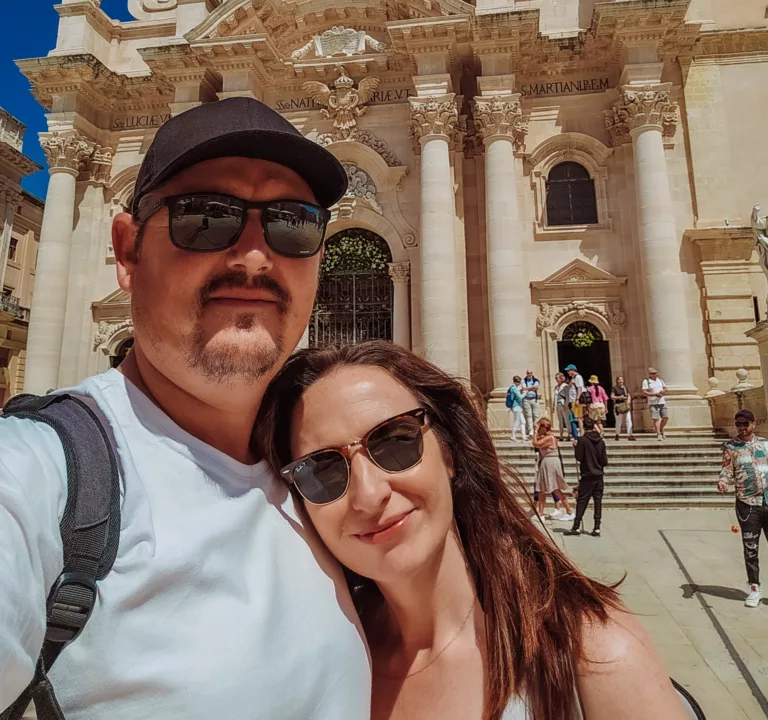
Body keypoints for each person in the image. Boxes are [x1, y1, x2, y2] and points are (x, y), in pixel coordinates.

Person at [0, 99, 371, 718]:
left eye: (294, 225)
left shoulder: (355, 472)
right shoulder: (38, 478)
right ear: (126, 250)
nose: (254, 257)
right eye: (205, 217)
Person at [259, 341, 692, 720]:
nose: (369, 495)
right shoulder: (309, 661)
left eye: (395, 439)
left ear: (448, 453)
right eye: (321, 469)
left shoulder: (597, 658)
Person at [717, 409, 768, 608]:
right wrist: (722, 481)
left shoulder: (765, 444)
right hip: (747, 504)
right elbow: (726, 469)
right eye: (738, 424)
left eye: (745, 424)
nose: (742, 427)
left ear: (754, 424)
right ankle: (754, 588)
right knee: (751, 548)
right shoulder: (731, 446)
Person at [566, 418, 608, 538]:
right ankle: (597, 527)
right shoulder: (601, 441)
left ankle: (576, 526)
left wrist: (576, 447)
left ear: (583, 427)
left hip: (587, 475)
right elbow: (604, 461)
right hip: (599, 475)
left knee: (582, 501)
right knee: (598, 501)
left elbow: (579, 457)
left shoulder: (582, 440)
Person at [532, 417, 575, 522]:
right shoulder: (546, 436)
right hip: (546, 463)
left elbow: (535, 444)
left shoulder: (550, 437)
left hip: (551, 463)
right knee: (542, 489)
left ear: (544, 427)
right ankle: (540, 513)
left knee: (555, 489)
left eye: (539, 427)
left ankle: (569, 511)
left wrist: (534, 432)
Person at [642, 367, 668, 441]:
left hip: (662, 401)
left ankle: (661, 429)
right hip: (653, 402)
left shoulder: (660, 380)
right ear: (649, 374)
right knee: (656, 418)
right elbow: (644, 392)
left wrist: (663, 391)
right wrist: (654, 394)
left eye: (655, 373)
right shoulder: (646, 381)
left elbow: (665, 388)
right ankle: (658, 433)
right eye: (653, 373)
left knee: (665, 417)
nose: (655, 374)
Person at [611, 375, 635, 441]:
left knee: (628, 420)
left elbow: (629, 395)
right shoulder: (614, 388)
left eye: (622, 379)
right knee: (619, 421)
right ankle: (617, 434)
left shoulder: (625, 388)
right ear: (617, 381)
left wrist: (628, 401)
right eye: (620, 380)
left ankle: (630, 435)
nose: (621, 381)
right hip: (618, 406)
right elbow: (612, 397)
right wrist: (619, 397)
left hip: (625, 405)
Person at [565, 364, 585, 436]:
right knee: (577, 417)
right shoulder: (573, 378)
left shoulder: (578, 377)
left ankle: (582, 433)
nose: (567, 372)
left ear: (573, 370)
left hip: (576, 400)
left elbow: (580, 388)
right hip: (572, 400)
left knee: (579, 417)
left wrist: (577, 399)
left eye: (568, 371)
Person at [506, 374, 526, 441]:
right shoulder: (514, 388)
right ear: (517, 382)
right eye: (519, 382)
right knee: (517, 422)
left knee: (523, 421)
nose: (520, 384)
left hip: (518, 407)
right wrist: (525, 393)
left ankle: (524, 436)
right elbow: (519, 397)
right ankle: (513, 436)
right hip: (516, 407)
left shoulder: (513, 388)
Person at [521, 368, 541, 433]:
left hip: (534, 399)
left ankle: (536, 430)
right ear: (526, 374)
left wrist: (528, 388)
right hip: (526, 399)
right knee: (528, 415)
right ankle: (530, 430)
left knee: (536, 415)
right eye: (528, 373)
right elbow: (523, 388)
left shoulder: (536, 380)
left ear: (532, 374)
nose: (529, 374)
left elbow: (536, 387)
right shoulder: (523, 380)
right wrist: (532, 388)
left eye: (531, 373)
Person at [554, 371, 571, 438]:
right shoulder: (556, 387)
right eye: (555, 378)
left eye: (557, 378)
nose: (556, 379)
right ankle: (561, 435)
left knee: (566, 420)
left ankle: (569, 434)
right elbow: (555, 396)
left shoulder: (565, 386)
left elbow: (567, 396)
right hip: (558, 404)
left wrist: (566, 405)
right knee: (560, 420)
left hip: (563, 404)